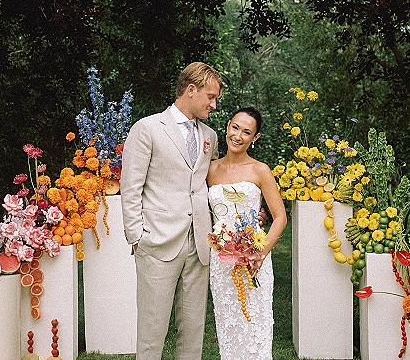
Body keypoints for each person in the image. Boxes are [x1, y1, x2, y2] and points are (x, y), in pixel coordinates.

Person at [120, 62, 222, 360]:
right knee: (153, 328)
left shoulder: (210, 137)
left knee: (193, 329)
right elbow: (131, 187)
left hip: (199, 244)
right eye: (210, 97)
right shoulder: (147, 128)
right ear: (191, 90)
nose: (214, 105)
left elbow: (208, 185)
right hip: (157, 241)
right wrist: (136, 236)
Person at [207, 106, 287, 360]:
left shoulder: (260, 170)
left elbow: (280, 217)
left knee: (255, 328)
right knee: (228, 326)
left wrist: (260, 255)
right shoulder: (209, 170)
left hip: (254, 259)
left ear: (255, 138)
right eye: (235, 128)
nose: (238, 136)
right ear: (228, 126)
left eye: (247, 132)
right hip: (221, 263)